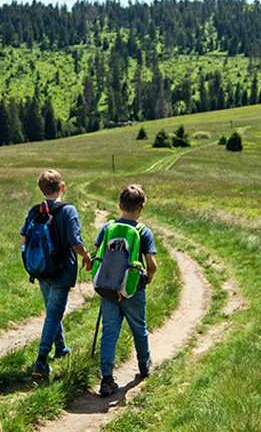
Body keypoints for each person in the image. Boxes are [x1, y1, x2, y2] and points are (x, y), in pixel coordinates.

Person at [92, 183, 158, 398]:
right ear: (142, 207)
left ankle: (107, 378)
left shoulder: (107, 228)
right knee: (139, 327)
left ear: (119, 205)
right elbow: (152, 264)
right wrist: (147, 279)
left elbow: (98, 255)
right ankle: (144, 364)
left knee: (109, 331)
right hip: (132, 289)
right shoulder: (143, 231)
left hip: (108, 288)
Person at [21, 169, 88, 378]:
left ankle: (61, 348)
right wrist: (86, 256)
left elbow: (24, 240)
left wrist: (31, 262)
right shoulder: (68, 211)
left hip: (40, 268)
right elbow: (75, 242)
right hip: (62, 269)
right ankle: (41, 360)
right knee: (54, 313)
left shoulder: (35, 210)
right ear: (63, 187)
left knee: (52, 310)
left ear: (41, 190)